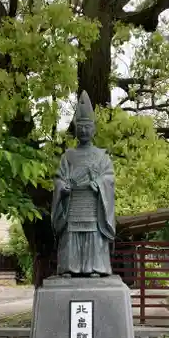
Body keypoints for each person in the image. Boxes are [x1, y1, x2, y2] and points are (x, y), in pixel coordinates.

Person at [51, 91, 115, 276]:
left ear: (94, 129)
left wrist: (100, 183)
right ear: (76, 128)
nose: (84, 130)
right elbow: (59, 178)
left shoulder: (102, 156)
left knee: (93, 235)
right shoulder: (68, 156)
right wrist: (62, 187)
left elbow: (109, 177)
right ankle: (69, 268)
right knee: (70, 236)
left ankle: (95, 267)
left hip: (93, 206)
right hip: (73, 204)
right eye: (80, 126)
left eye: (88, 127)